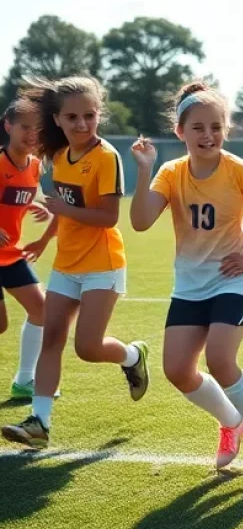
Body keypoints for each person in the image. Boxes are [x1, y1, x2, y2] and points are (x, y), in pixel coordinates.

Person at [130, 80, 243, 491]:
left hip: (234, 280)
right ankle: (231, 421)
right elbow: (140, 221)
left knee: (221, 360)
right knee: (176, 370)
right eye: (199, 127)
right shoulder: (170, 173)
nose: (208, 135)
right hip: (190, 285)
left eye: (216, 127)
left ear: (226, 129)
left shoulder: (238, 170)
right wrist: (145, 169)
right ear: (180, 132)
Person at [1, 77, 149, 451]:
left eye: (90, 115)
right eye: (72, 117)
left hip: (103, 264)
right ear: (58, 119)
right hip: (66, 265)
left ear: (99, 114)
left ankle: (133, 355)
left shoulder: (106, 157)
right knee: (52, 340)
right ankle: (40, 423)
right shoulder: (59, 156)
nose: (82, 124)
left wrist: (62, 208)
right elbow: (62, 210)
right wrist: (49, 231)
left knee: (87, 347)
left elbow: (108, 217)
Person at [0, 100, 50, 399]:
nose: (32, 134)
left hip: (11, 254)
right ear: (8, 126)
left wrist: (39, 205)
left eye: (37, 128)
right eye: (24, 127)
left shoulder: (35, 165)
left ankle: (24, 381)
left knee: (40, 308)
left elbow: (18, 194)